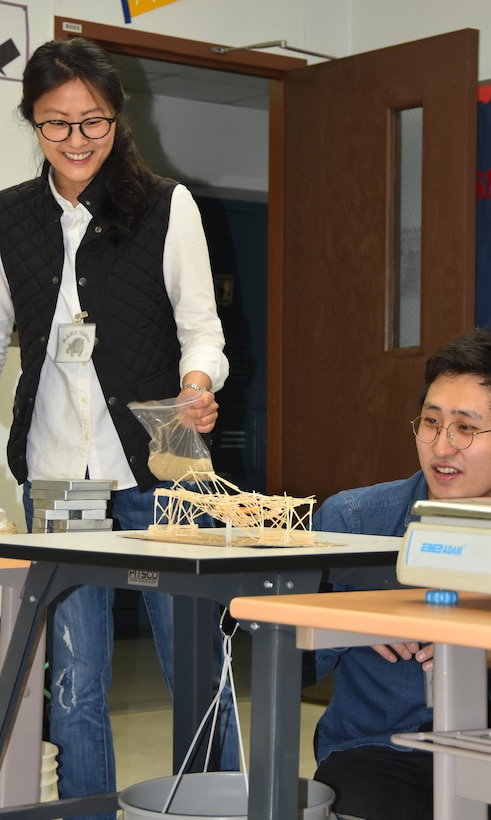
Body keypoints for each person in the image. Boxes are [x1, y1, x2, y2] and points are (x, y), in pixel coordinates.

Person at [0, 37, 235, 819]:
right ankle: (90, 813)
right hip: (61, 468)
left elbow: (202, 329)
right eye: (55, 124)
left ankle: (214, 807)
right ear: (32, 122)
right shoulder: (9, 218)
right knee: (75, 678)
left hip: (165, 453)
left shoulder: (168, 205)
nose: (75, 141)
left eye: (92, 122)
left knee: (195, 663)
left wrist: (197, 384)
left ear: (117, 117)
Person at [310, 327, 491, 820]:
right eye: (431, 422)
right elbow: (296, 667)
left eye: (465, 428)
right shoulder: (355, 521)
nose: (442, 447)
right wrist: (352, 624)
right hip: (384, 751)